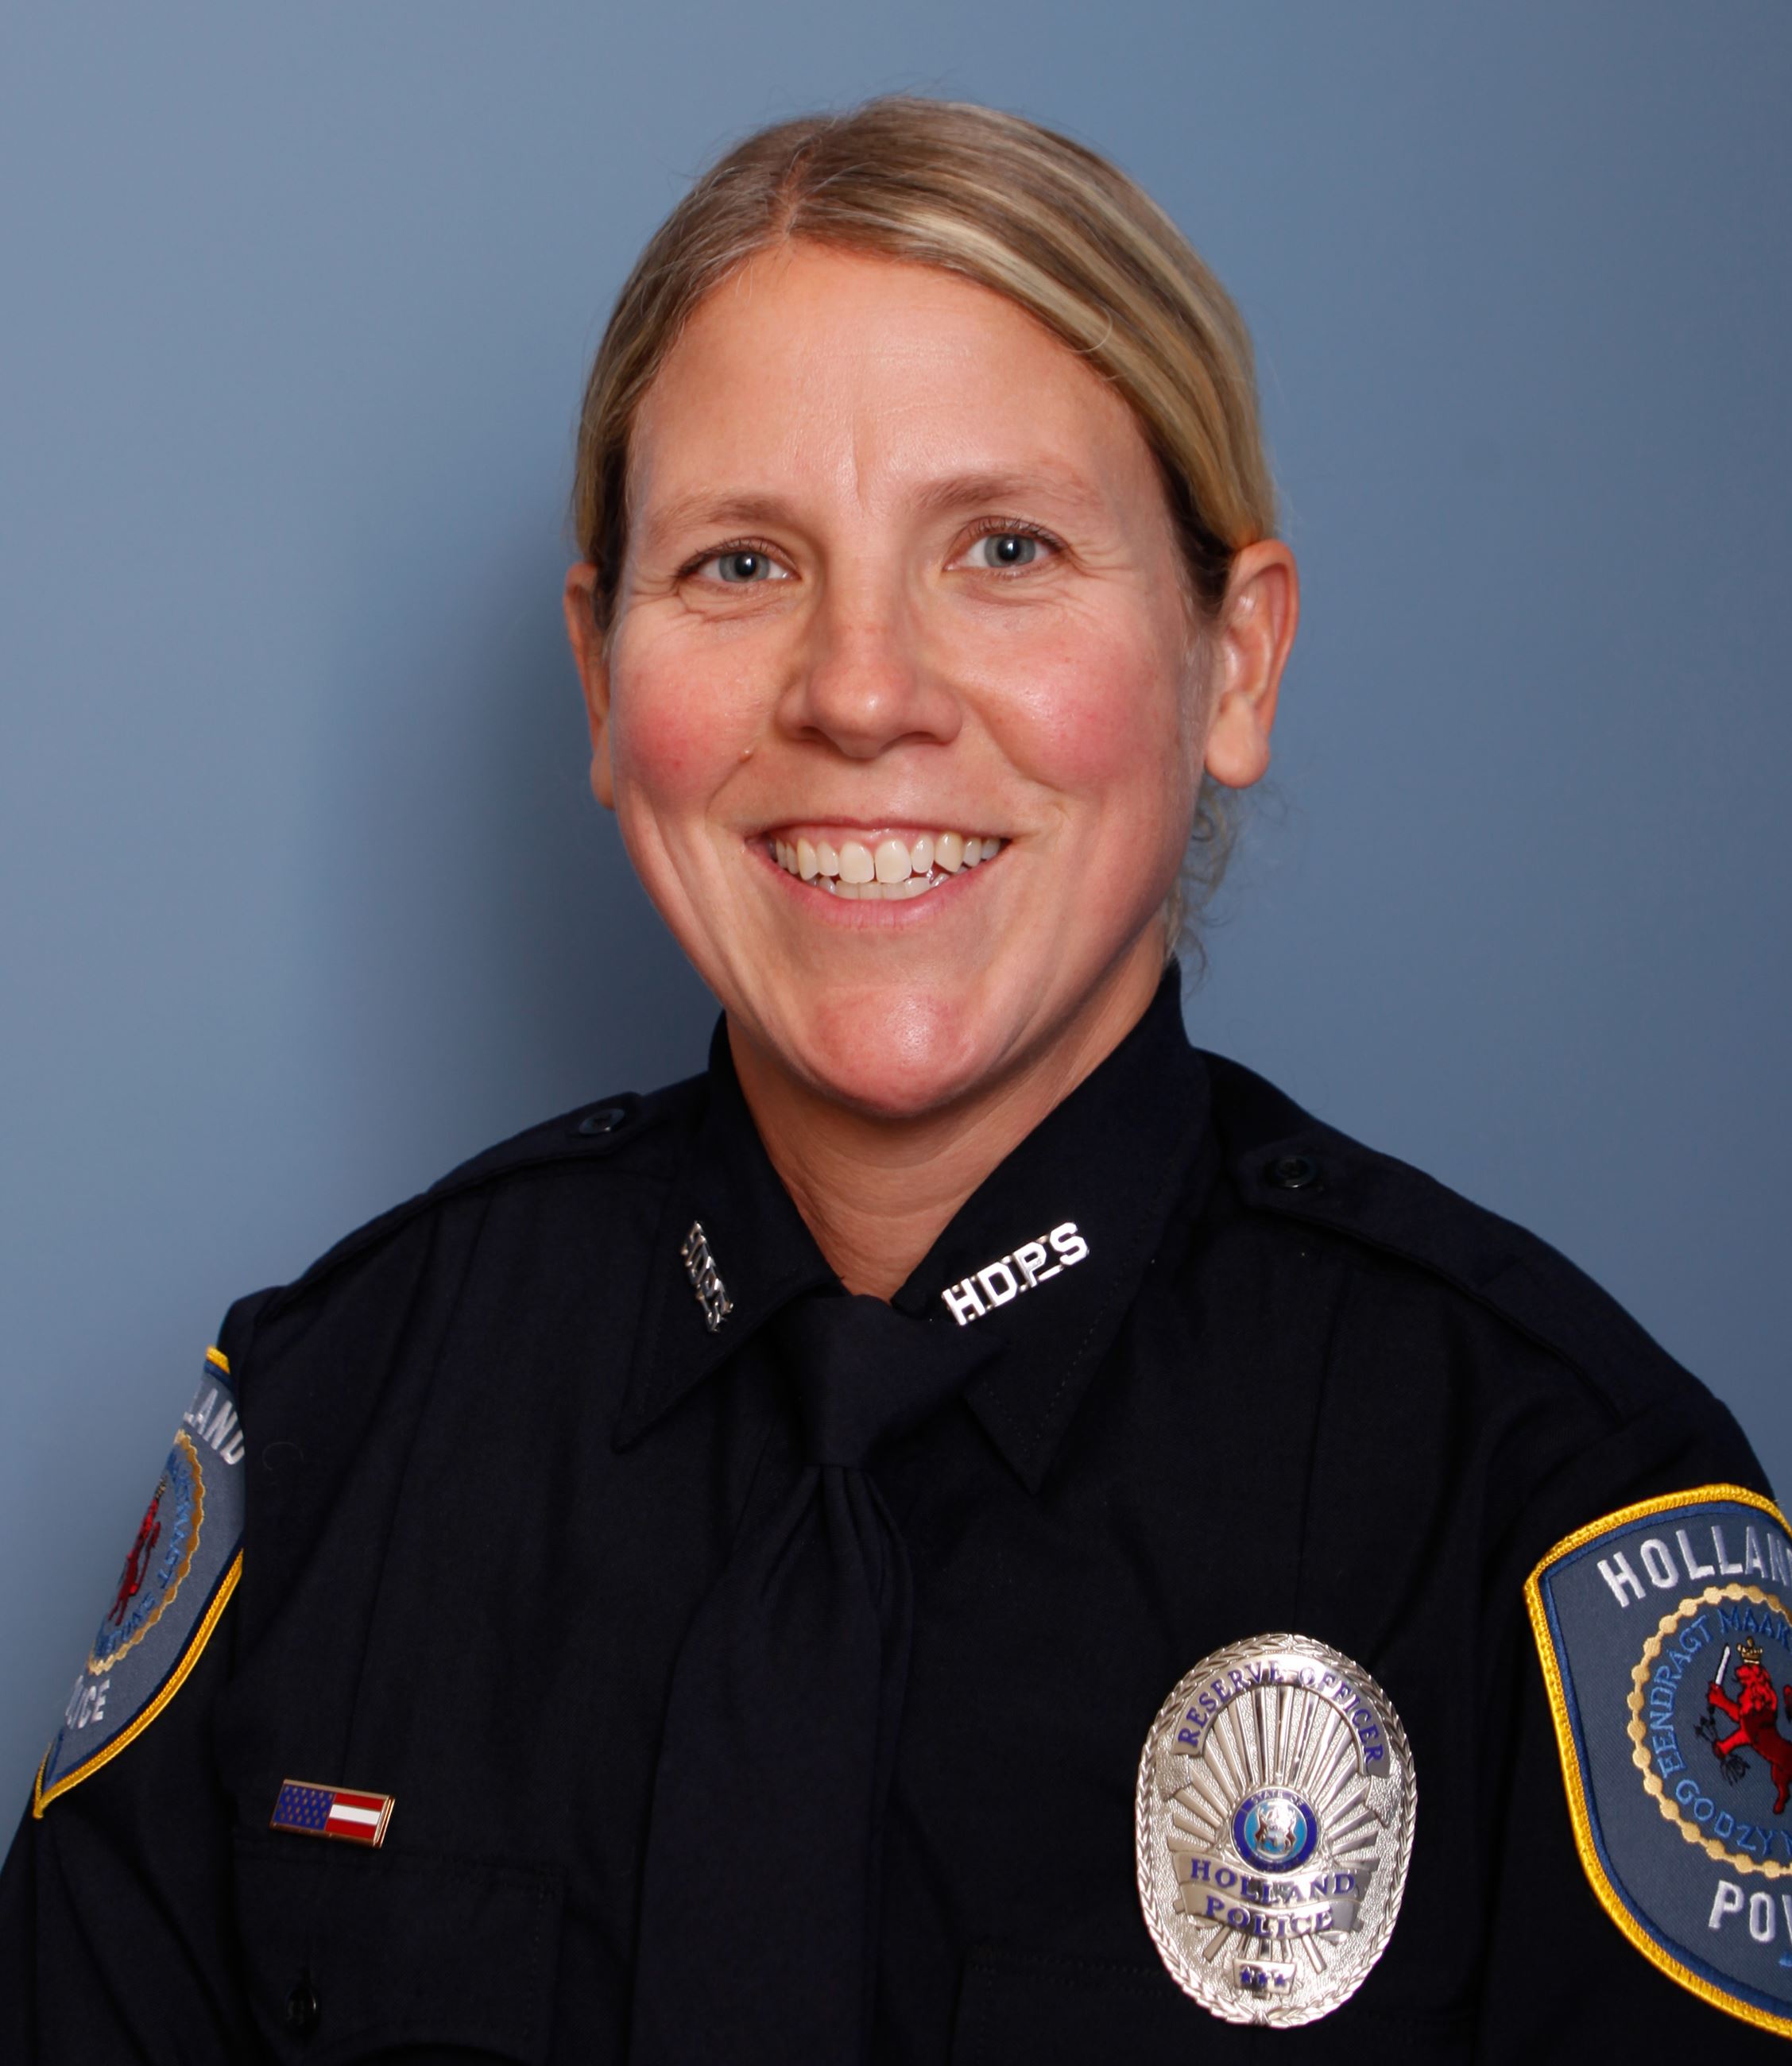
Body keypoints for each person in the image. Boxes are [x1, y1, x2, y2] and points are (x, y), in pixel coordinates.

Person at [2, 92, 1787, 2061]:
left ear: (1236, 662)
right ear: (604, 684)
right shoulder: (336, 1429)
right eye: (742, 563)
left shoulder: (1549, 1501)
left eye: (1005, 547)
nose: (860, 690)